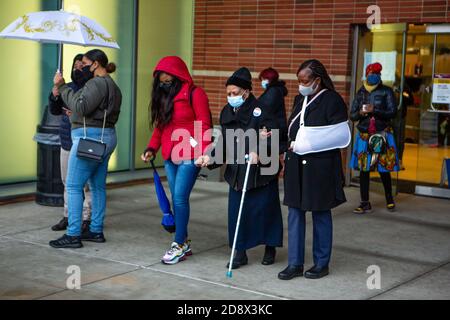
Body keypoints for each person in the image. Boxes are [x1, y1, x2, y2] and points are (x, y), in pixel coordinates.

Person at [196, 67, 285, 269]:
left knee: (266, 211)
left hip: (261, 174)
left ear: (246, 91)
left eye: (235, 93)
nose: (231, 97)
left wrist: (262, 153)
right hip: (237, 173)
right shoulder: (227, 112)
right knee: (237, 213)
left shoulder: (262, 110)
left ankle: (270, 246)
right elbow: (224, 144)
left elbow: (278, 138)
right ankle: (239, 251)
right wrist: (210, 158)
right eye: (228, 93)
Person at [278, 59, 349, 280]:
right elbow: (294, 128)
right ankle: (294, 263)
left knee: (320, 213)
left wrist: (308, 143)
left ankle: (321, 263)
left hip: (320, 167)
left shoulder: (332, 100)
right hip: (296, 164)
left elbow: (338, 136)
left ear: (317, 80)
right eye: (299, 80)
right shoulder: (302, 98)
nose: (301, 84)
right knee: (295, 213)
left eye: (305, 80)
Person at [141, 56, 212, 265]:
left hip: (190, 154)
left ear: (178, 75)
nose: (164, 83)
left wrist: (203, 150)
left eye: (167, 79)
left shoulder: (195, 94)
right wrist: (151, 148)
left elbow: (205, 123)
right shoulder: (165, 97)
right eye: (161, 80)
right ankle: (185, 241)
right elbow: (160, 127)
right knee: (176, 199)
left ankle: (179, 243)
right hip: (170, 155)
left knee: (180, 198)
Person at [49, 49, 122, 248]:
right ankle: (96, 230)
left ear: (96, 64)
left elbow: (81, 108)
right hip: (106, 137)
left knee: (73, 186)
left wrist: (62, 87)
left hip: (89, 138)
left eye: (85, 63)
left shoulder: (96, 83)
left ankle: (72, 234)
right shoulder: (113, 86)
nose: (82, 66)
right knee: (97, 186)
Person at [48, 53, 92, 233]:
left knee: (86, 184)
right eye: (75, 64)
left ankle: (86, 218)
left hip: (85, 139)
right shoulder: (67, 87)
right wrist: (55, 95)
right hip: (67, 139)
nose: (78, 67)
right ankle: (68, 215)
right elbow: (55, 111)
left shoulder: (92, 88)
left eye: (82, 64)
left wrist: (74, 113)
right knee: (67, 181)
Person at [350, 62, 400, 214]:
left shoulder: (386, 91)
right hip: (365, 135)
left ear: (380, 75)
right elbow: (352, 115)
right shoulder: (360, 93)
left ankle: (389, 199)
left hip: (380, 134)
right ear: (366, 74)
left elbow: (393, 112)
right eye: (371, 73)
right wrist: (361, 113)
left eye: (377, 73)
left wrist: (375, 110)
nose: (373, 76)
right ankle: (365, 203)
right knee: (364, 169)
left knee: (383, 168)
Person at [258, 67, 289, 162]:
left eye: (263, 79)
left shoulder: (273, 91)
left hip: (271, 133)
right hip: (274, 131)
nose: (262, 82)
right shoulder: (275, 91)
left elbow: (264, 110)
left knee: (267, 162)